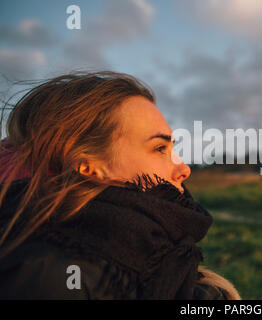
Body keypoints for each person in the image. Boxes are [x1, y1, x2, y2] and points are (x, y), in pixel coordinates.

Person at [0, 71, 241, 300]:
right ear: (87, 166)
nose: (184, 169)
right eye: (159, 148)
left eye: (172, 149)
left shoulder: (153, 250)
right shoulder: (49, 277)